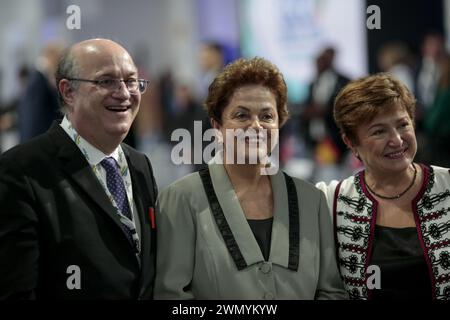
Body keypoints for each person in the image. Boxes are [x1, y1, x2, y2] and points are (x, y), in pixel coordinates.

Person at [154, 57, 347, 300]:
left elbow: (332, 293)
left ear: (280, 123)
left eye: (267, 116)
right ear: (217, 126)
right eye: (242, 115)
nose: (256, 126)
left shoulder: (312, 200)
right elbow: (172, 298)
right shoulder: (180, 199)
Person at [0, 38, 158, 299]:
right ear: (68, 91)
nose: (124, 93)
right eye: (106, 81)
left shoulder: (140, 165)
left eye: (131, 81)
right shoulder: (21, 171)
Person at [316, 73, 450, 300]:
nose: (397, 140)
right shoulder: (332, 200)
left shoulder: (447, 186)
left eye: (403, 124)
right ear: (350, 141)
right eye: (379, 131)